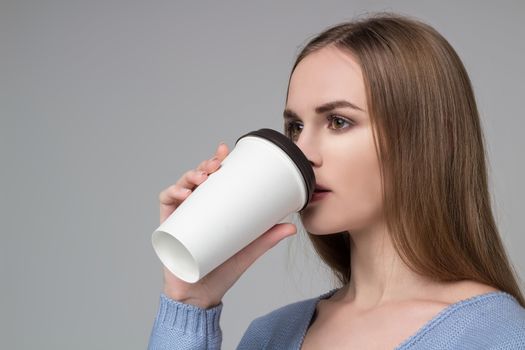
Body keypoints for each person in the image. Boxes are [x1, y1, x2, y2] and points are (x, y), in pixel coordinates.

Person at [147, 12, 525, 349]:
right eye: (294, 127)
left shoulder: (500, 336)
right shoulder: (271, 335)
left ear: (428, 137)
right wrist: (188, 305)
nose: (303, 153)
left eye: (339, 122)